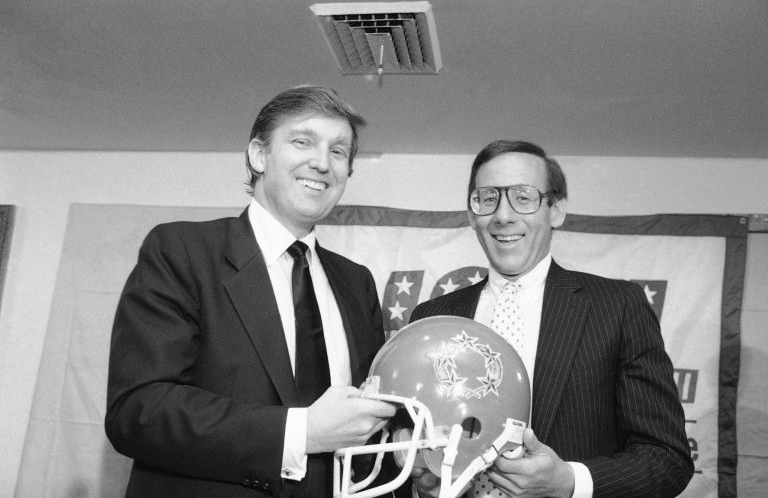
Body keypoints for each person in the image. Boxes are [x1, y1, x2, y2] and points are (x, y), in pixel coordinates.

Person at [105, 85, 396, 498]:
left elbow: (362, 429)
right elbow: (138, 412)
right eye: (302, 142)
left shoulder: (357, 282)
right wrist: (302, 432)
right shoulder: (183, 251)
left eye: (338, 151)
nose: (322, 163)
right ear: (258, 155)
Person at [408, 140, 694, 497]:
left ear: (556, 210)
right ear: (471, 214)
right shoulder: (432, 318)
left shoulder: (618, 307)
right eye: (487, 198)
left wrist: (570, 481)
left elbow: (667, 459)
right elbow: (408, 451)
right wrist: (420, 478)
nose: (503, 215)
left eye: (523, 197)